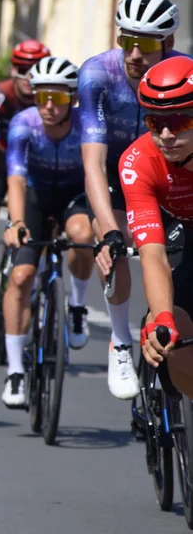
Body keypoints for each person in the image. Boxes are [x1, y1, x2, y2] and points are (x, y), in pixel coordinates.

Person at [81, 0, 188, 400]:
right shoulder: (97, 75)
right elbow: (91, 162)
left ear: (169, 45)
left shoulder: (186, 75)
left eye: (145, 44)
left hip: (172, 170)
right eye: (127, 40)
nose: (133, 54)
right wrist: (109, 230)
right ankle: (121, 341)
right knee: (116, 245)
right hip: (113, 169)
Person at [0, 57, 94, 407]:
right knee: (21, 277)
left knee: (83, 235)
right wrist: (17, 223)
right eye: (42, 97)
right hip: (36, 198)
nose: (49, 106)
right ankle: (15, 371)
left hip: (74, 196)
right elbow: (16, 177)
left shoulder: (87, 124)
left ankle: (78, 306)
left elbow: (97, 171)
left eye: (59, 98)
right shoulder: (24, 124)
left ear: (73, 98)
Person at [0, 39, 49, 324]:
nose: (28, 75)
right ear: (13, 68)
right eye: (22, 68)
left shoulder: (50, 95)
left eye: (35, 68)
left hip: (36, 165)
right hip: (2, 163)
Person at [128, 57, 193, 398]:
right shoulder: (138, 163)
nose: (166, 135)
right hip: (177, 231)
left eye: (180, 122)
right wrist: (163, 316)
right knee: (175, 326)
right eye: (156, 122)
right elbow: (152, 254)